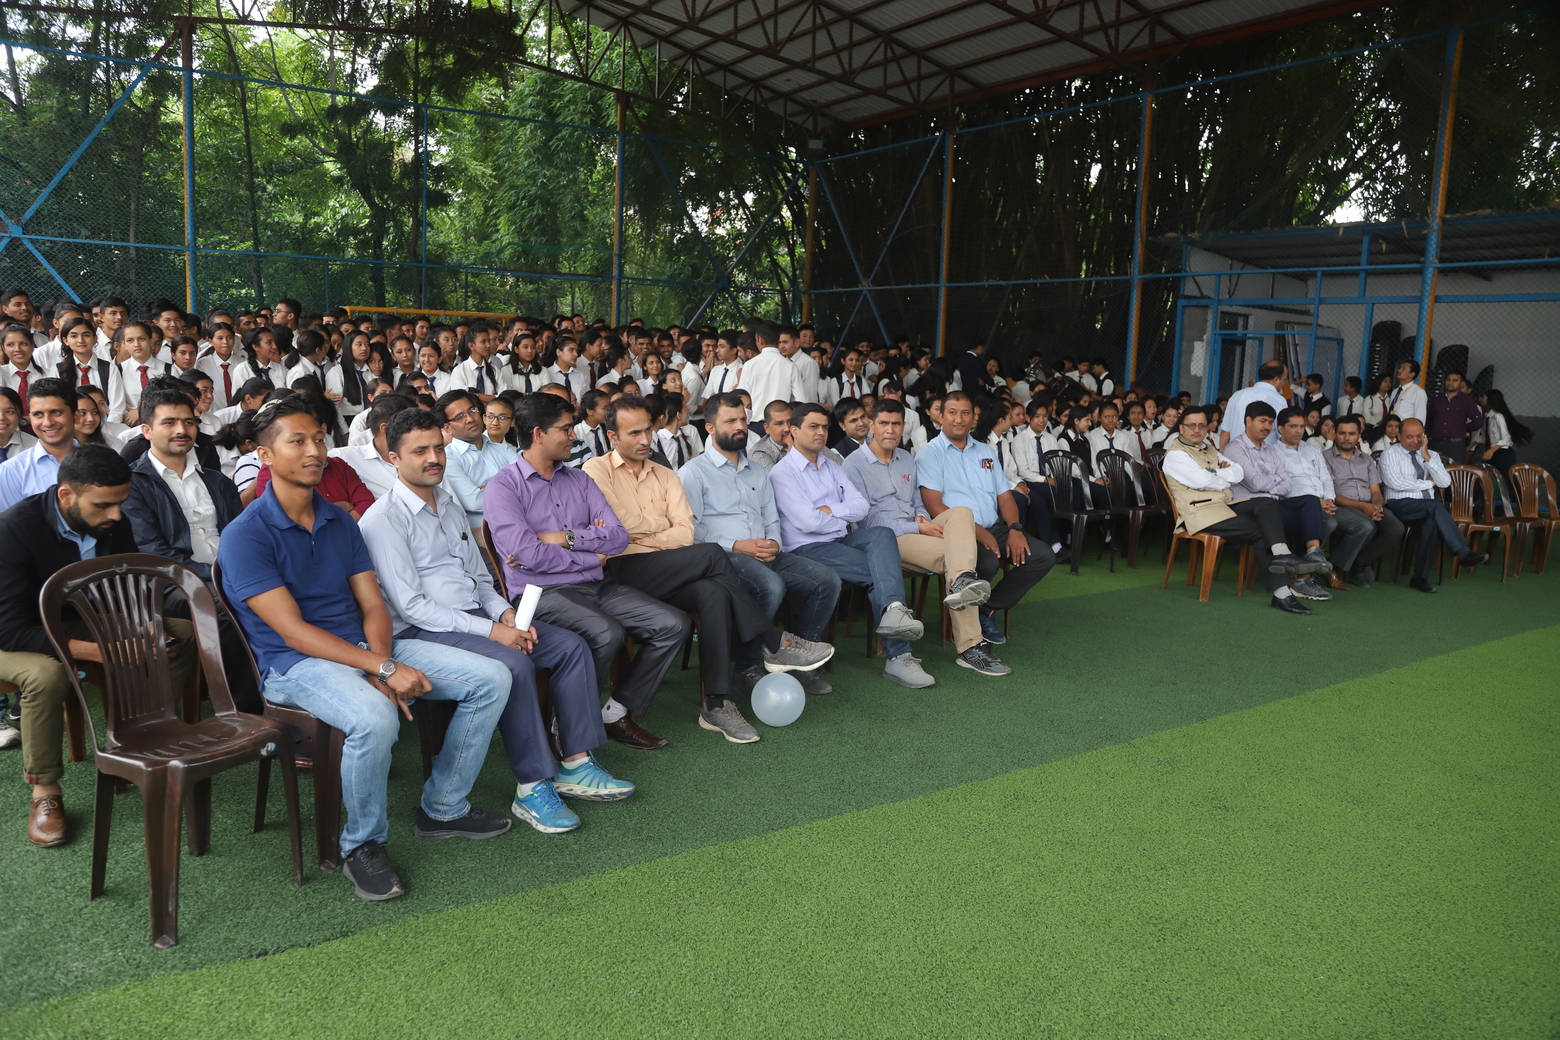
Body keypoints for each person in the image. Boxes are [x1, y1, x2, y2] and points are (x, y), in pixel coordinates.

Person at [218, 396, 513, 902]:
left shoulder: (339, 520)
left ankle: (442, 807)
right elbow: (291, 632)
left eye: (318, 439)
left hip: (367, 646)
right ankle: (363, 844)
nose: (314, 450)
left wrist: (383, 663)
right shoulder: (245, 535)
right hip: (297, 664)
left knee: (492, 678)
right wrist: (381, 667)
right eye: (297, 441)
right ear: (265, 456)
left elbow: (373, 606)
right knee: (377, 717)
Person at [360, 408, 632, 836]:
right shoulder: (383, 520)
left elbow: (481, 579)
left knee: (569, 647)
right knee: (514, 663)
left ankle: (576, 762)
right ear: (394, 459)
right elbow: (412, 608)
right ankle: (532, 785)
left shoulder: (447, 504)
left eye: (437, 447)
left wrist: (503, 612)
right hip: (424, 633)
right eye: (419, 451)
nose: (433, 457)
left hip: (474, 620)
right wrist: (494, 631)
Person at [584, 395, 832, 743]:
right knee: (713, 553)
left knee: (713, 591)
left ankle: (715, 703)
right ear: (612, 437)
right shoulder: (595, 470)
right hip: (622, 568)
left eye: (648, 431)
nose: (644, 440)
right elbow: (616, 530)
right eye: (634, 433)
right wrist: (656, 529)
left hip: (668, 565)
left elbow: (684, 531)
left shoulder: (666, 474)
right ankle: (772, 640)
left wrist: (643, 531)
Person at [0, 446, 198, 845]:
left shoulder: (112, 520)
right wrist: (102, 650)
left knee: (183, 632)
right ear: (65, 495)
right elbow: (9, 629)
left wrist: (146, 627)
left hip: (80, 620)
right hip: (12, 634)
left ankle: (138, 737)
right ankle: (45, 792)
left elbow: (122, 588)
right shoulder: (12, 530)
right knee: (45, 675)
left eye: (121, 503)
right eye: (104, 505)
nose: (116, 515)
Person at [484, 392, 686, 751]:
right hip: (541, 594)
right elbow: (528, 555)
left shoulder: (579, 479)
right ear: (538, 434)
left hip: (596, 586)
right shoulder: (504, 486)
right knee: (606, 631)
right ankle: (569, 726)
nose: (575, 435)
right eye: (566, 429)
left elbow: (617, 537)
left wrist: (565, 538)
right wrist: (592, 555)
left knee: (673, 624)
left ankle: (615, 712)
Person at [679, 393, 840, 697]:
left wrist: (774, 544)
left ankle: (799, 664)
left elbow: (771, 516)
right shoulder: (693, 472)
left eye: (742, 419)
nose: (740, 426)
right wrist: (738, 545)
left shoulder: (756, 470)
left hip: (765, 553)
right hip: (723, 557)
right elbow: (690, 530)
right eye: (731, 421)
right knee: (771, 586)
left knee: (827, 580)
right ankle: (746, 667)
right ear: (710, 428)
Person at [769, 402, 931, 687]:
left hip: (840, 540)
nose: (821, 432)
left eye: (824, 427)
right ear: (794, 431)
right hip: (806, 549)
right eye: (813, 427)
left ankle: (894, 614)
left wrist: (829, 512)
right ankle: (898, 655)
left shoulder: (832, 466)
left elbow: (861, 506)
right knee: (880, 574)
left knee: (881, 533)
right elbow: (808, 523)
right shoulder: (782, 473)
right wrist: (838, 515)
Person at [119, 387, 260, 712]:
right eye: (169, 422)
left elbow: (242, 536)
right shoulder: (134, 485)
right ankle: (248, 710)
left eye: (188, 422)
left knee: (290, 588)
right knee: (228, 606)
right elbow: (154, 551)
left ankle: (294, 690)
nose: (181, 430)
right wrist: (221, 575)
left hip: (230, 573)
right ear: (147, 430)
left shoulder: (215, 480)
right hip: (169, 583)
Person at [845, 399, 1009, 677]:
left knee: (960, 513)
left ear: (903, 427)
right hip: (886, 539)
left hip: (916, 528)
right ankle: (971, 647)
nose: (890, 430)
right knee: (955, 559)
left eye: (896, 424)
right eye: (883, 423)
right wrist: (916, 527)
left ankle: (962, 581)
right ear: (871, 425)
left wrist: (922, 519)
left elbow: (918, 502)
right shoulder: (854, 464)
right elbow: (864, 520)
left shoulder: (906, 458)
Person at [916, 391, 1055, 643]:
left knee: (1043, 557)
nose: (959, 419)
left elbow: (1004, 496)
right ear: (940, 417)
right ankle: (973, 621)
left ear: (974, 419)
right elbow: (935, 506)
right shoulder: (929, 454)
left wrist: (1014, 528)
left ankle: (985, 608)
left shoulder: (986, 452)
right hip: (959, 532)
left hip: (996, 527)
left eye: (966, 413)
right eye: (952, 413)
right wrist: (977, 531)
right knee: (988, 562)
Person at [1159, 406, 1323, 615]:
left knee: (1265, 503)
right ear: (1181, 428)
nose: (1197, 429)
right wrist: (1219, 475)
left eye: (1202, 425)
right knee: (1260, 531)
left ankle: (1282, 555)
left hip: (1224, 505)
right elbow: (1202, 480)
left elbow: (1238, 473)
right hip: (1200, 513)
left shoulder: (1208, 448)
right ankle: (1283, 594)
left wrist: (1215, 475)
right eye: (1191, 425)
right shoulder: (1176, 455)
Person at [1222, 402, 1336, 601]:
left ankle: (1312, 556)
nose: (1267, 426)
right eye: (1262, 421)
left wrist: (1271, 484)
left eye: (1269, 422)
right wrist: (1275, 482)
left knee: (1308, 504)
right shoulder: (1235, 449)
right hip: (1249, 506)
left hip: (1271, 504)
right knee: (1299, 514)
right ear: (1248, 421)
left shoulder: (1269, 450)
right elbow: (1255, 483)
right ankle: (1302, 578)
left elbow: (1288, 484)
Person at [1379, 418, 1489, 593]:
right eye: (1409, 437)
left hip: (1425, 508)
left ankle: (1420, 579)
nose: (1415, 440)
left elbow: (1445, 482)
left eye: (1419, 436)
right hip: (1399, 505)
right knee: (1435, 506)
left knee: (1432, 524)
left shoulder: (1432, 455)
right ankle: (1462, 552)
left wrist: (1427, 458)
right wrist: (1429, 484)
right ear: (1399, 436)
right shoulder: (1389, 455)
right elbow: (1396, 484)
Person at [1323, 415, 1405, 588]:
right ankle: (1334, 568)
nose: (1346, 438)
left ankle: (1358, 562)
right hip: (1341, 505)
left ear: (1359, 435)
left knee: (1396, 527)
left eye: (1352, 433)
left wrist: (1376, 506)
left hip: (1368, 505)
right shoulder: (1325, 458)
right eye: (1342, 433)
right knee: (1367, 525)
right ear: (1334, 433)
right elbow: (1331, 493)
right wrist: (1363, 506)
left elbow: (1375, 491)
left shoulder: (1367, 460)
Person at [438, 390, 517, 527]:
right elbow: (474, 502)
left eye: (472, 410)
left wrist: (486, 487)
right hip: (485, 533)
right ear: (447, 428)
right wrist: (511, 484)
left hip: (522, 520)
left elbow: (529, 483)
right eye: (459, 417)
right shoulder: (448, 459)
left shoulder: (503, 449)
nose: (470, 418)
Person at [0, 378, 78, 510]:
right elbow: (11, 527)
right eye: (38, 414)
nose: (47, 422)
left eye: (55, 412)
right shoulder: (11, 472)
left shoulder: (101, 461)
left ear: (75, 416)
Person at [736, 321, 802, 434]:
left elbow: (743, 398)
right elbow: (801, 401)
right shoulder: (790, 366)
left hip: (755, 426)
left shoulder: (749, 365)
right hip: (783, 427)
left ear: (760, 339)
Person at [1220, 359, 1289, 449]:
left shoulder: (1237, 395)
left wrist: (1222, 457)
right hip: (1264, 458)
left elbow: (1225, 431)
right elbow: (1283, 435)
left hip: (1234, 456)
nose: (1284, 384)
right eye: (1284, 380)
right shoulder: (1279, 400)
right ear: (1276, 379)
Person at [1467, 389, 1530, 480]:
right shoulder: (1487, 417)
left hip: (1502, 454)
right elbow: (1485, 436)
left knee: (1505, 479)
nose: (1481, 399)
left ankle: (1511, 494)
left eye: (1484, 397)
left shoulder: (1498, 417)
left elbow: (1507, 438)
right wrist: (1472, 444)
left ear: (1489, 400)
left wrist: (1491, 451)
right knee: (1485, 477)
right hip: (1492, 453)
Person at [1426, 369, 1483, 462]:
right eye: (1448, 379)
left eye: (1455, 380)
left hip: (1455, 445)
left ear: (1461, 383)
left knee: (1455, 472)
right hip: (1435, 443)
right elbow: (1429, 419)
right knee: (1431, 471)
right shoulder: (1437, 400)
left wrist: (1463, 428)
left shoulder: (1467, 400)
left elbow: (1478, 422)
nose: (1450, 382)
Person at [747, 399, 793, 471]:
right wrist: (792, 449)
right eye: (779, 424)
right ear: (767, 428)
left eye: (790, 422)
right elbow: (780, 480)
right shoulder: (759, 453)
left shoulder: (803, 440)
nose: (787, 428)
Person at [1387, 360, 1428, 424]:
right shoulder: (1395, 392)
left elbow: (1420, 418)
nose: (1399, 370)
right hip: (1393, 429)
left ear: (1412, 374)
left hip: (1406, 430)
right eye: (1400, 368)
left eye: (1403, 368)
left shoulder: (1418, 392)